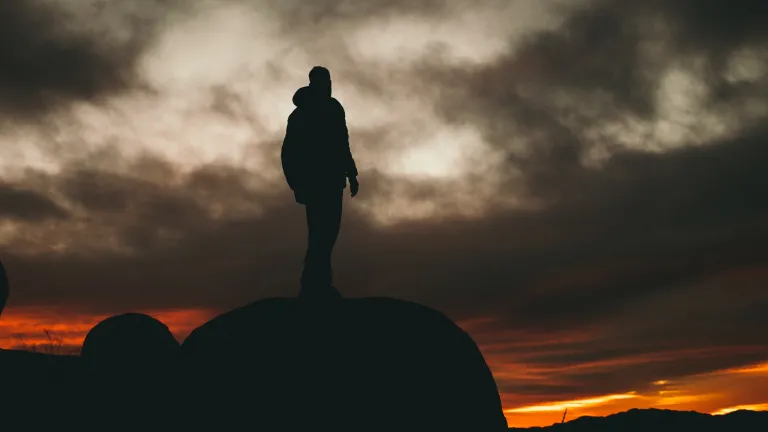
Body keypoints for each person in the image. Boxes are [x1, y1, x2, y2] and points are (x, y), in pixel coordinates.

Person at [281, 66, 359, 299]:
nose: (327, 85)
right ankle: (314, 285)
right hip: (315, 183)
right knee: (319, 233)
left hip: (334, 181)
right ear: (314, 83)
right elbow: (289, 151)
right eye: (323, 81)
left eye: (328, 81)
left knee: (329, 232)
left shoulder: (334, 108)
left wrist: (351, 173)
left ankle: (319, 283)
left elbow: (342, 141)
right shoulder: (300, 114)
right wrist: (296, 184)